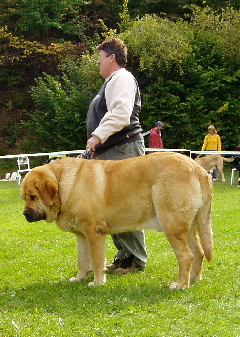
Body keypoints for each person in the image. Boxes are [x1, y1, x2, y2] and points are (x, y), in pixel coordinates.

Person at [86, 38, 146, 274]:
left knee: (126, 206)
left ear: (111, 57)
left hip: (123, 149)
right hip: (114, 151)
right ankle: (124, 256)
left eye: (100, 57)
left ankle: (135, 259)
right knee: (113, 207)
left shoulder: (122, 78)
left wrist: (96, 137)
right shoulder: (113, 81)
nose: (97, 62)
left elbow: (121, 114)